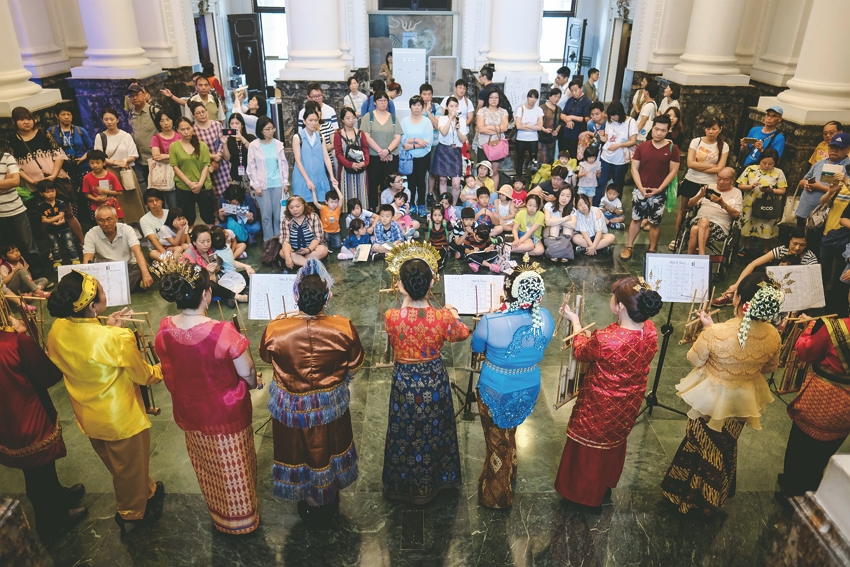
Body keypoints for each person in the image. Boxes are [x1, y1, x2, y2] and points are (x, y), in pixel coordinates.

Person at [150, 253, 260, 534]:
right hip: (225, 412)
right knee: (234, 465)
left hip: (190, 410)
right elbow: (246, 371)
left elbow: (169, 370)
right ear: (207, 295)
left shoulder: (164, 329)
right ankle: (242, 521)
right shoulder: (222, 331)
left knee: (207, 465)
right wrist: (253, 382)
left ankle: (219, 515)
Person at [46, 270, 165, 531]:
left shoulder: (56, 328)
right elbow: (143, 375)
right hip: (120, 417)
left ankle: (147, 491)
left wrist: (105, 328)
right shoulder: (115, 338)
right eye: (101, 290)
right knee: (128, 467)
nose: (104, 292)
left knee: (120, 465)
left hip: (88, 414)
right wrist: (164, 368)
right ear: (92, 306)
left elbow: (86, 346)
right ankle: (130, 516)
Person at [661, 273, 782, 516]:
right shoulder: (773, 335)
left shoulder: (716, 333)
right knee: (725, 444)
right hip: (744, 400)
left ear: (738, 299)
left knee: (698, 445)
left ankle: (692, 495)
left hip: (710, 398)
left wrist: (708, 331)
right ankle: (712, 496)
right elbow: (769, 367)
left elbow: (694, 358)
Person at [260, 259, 363, 524]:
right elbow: (356, 362)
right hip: (331, 404)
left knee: (297, 450)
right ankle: (328, 495)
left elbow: (265, 357)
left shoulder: (276, 329)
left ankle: (308, 497)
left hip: (291, 406)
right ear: (327, 296)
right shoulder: (342, 326)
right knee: (331, 445)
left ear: (296, 297)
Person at [555, 277, 662, 508]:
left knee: (590, 444)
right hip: (630, 400)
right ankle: (605, 483)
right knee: (613, 439)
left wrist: (575, 321)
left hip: (600, 403)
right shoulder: (650, 331)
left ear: (620, 306)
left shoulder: (606, 340)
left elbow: (581, 351)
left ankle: (582, 493)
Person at [382, 250, 470, 503]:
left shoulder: (392, 317)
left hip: (404, 383)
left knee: (404, 431)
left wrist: (406, 303)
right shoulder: (442, 318)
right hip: (433, 381)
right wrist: (452, 314)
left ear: (401, 286)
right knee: (435, 431)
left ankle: (402, 483)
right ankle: (439, 480)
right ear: (431, 283)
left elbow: (400, 327)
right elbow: (462, 333)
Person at [473, 259, 554, 508]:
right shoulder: (546, 319)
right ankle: (512, 466)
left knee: (496, 440)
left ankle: (497, 496)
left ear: (507, 292)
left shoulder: (490, 321)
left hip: (495, 389)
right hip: (528, 387)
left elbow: (477, 348)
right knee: (509, 432)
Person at [0, 310, 87, 538]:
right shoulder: (15, 342)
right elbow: (49, 376)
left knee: (36, 472)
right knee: (40, 472)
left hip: (6, 420)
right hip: (28, 417)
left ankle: (59, 496)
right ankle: (52, 520)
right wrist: (28, 339)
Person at [777, 315, 850, 497]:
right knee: (822, 456)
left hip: (821, 402)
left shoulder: (834, 328)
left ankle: (792, 492)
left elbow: (804, 351)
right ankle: (811, 491)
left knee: (799, 452)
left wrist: (811, 326)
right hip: (846, 411)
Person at [10, 106, 84, 250]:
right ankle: (54, 248)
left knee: (68, 212)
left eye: (29, 118)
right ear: (14, 122)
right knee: (44, 218)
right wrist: (30, 181)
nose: (27, 122)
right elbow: (14, 165)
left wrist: (54, 175)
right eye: (22, 119)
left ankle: (82, 242)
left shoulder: (44, 133)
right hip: (34, 185)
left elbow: (59, 154)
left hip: (56, 181)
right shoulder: (12, 140)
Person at [621, 115, 680, 258]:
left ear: (668, 131)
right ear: (652, 128)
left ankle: (652, 250)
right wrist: (640, 187)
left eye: (663, 130)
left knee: (654, 222)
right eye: (656, 129)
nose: (659, 133)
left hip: (659, 192)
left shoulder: (673, 148)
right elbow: (634, 169)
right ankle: (629, 247)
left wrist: (659, 189)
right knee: (636, 219)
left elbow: (673, 171)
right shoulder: (642, 147)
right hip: (640, 190)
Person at [714, 228, 817, 306]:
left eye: (802, 245)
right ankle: (734, 294)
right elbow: (753, 264)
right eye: (795, 243)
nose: (797, 248)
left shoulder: (810, 258)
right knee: (756, 274)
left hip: (796, 290)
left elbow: (813, 283)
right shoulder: (782, 249)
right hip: (776, 284)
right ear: (789, 240)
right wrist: (737, 284)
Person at [670, 117, 730, 251]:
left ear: (720, 129)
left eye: (714, 129)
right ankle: (678, 237)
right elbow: (690, 164)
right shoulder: (696, 141)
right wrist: (709, 167)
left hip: (709, 183)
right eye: (708, 128)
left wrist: (699, 165)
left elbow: (720, 168)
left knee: (703, 212)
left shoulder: (723, 146)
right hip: (692, 180)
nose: (710, 131)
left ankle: (698, 240)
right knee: (684, 210)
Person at [93, 108, 146, 224]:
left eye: (112, 119)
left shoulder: (126, 136)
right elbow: (98, 157)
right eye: (106, 119)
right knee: (114, 200)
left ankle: (134, 223)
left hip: (126, 170)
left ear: (117, 119)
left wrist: (124, 161)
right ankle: (119, 224)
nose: (109, 122)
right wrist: (114, 162)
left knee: (131, 199)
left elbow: (134, 155)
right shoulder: (100, 137)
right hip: (109, 172)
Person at [83, 205, 154, 291]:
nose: (106, 223)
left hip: (129, 266)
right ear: (97, 221)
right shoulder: (91, 234)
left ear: (116, 218)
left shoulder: (127, 229)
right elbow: (87, 259)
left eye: (109, 219)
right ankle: (124, 287)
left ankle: (107, 289)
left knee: (143, 269)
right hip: (105, 269)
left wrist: (145, 274)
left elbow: (137, 251)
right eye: (101, 220)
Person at [737, 149, 787, 256]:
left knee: (767, 226)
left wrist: (771, 190)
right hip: (750, 203)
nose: (767, 166)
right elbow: (740, 185)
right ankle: (746, 247)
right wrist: (751, 186)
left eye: (770, 164)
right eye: (764, 163)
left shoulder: (778, 172)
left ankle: (766, 249)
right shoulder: (750, 169)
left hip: (768, 204)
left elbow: (782, 190)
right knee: (747, 224)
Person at [795, 132, 850, 229]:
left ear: (847, 149)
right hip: (805, 209)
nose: (834, 151)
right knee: (799, 236)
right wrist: (806, 184)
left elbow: (844, 192)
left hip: (823, 214)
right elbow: (802, 181)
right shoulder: (820, 163)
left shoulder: (847, 167)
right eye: (832, 147)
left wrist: (820, 187)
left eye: (839, 148)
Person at [247, 116, 289, 241]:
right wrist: (256, 185)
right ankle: (268, 241)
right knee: (266, 216)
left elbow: (283, 164)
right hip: (262, 185)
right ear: (260, 130)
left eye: (272, 128)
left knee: (278, 215)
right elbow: (251, 167)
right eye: (267, 129)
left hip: (277, 183)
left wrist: (285, 182)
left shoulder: (278, 144)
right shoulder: (254, 146)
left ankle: (278, 240)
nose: (271, 131)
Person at [182, 224, 248, 305]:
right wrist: (208, 273)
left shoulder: (211, 248)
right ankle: (236, 296)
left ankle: (227, 296)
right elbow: (193, 281)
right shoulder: (188, 256)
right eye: (202, 242)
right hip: (202, 286)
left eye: (209, 241)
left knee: (246, 274)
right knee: (209, 284)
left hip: (218, 278)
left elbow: (227, 261)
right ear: (194, 242)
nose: (206, 244)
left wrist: (247, 267)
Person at [169, 116, 216, 226]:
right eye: (182, 129)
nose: (186, 132)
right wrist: (189, 183)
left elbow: (206, 165)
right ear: (177, 131)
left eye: (188, 128)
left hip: (203, 185)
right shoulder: (174, 146)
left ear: (192, 128)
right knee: (188, 218)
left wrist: (200, 184)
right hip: (184, 187)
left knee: (208, 216)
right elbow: (175, 167)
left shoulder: (202, 145)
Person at [685, 167, 743, 256]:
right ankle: (702, 254)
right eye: (719, 178)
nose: (721, 182)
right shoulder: (709, 187)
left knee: (695, 229)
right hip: (698, 220)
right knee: (702, 222)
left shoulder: (736, 193)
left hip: (720, 225)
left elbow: (736, 214)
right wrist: (700, 195)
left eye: (725, 179)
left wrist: (722, 203)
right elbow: (690, 205)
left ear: (732, 180)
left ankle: (691, 258)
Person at [362, 92, 402, 207]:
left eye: (385, 100)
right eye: (380, 100)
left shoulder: (393, 118)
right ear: (375, 102)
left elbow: (397, 137)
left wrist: (387, 151)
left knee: (390, 185)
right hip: (374, 157)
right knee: (373, 184)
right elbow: (366, 136)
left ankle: (391, 208)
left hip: (391, 157)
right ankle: (373, 208)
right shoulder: (368, 117)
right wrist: (381, 151)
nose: (383, 102)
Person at [596, 101, 638, 207]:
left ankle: (615, 208)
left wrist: (618, 145)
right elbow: (607, 138)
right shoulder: (609, 121)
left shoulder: (630, 122)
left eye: (614, 115)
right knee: (600, 183)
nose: (612, 118)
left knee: (618, 185)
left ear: (620, 113)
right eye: (610, 115)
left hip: (620, 160)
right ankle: (596, 207)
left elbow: (633, 141)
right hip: (605, 157)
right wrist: (599, 136)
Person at [47, 103, 93, 194]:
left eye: (69, 114)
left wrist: (82, 158)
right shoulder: (51, 131)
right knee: (71, 195)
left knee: (88, 194)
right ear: (57, 116)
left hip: (82, 166)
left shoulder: (80, 130)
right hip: (63, 169)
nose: (66, 117)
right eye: (63, 114)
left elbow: (90, 148)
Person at [189, 102, 230, 199]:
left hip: (222, 163)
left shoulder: (217, 125)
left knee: (227, 190)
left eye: (203, 111)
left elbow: (222, 141)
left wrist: (217, 158)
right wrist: (212, 158)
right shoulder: (194, 130)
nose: (202, 114)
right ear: (193, 115)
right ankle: (217, 213)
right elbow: (197, 149)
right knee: (213, 193)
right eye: (198, 113)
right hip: (206, 166)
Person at [36, 181, 80, 268]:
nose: (51, 194)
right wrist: (54, 222)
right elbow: (43, 219)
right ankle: (57, 261)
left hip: (64, 228)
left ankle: (75, 259)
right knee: (54, 247)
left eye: (53, 191)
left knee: (70, 244)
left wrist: (49, 221)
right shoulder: (41, 205)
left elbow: (61, 215)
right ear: (41, 193)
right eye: (47, 192)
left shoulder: (60, 202)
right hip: (51, 230)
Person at [401, 95, 434, 212]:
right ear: (410, 107)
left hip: (423, 156)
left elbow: (428, 142)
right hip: (409, 158)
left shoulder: (427, 122)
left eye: (419, 105)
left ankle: (421, 204)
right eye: (414, 105)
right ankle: (411, 204)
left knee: (421, 181)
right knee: (410, 182)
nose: (416, 108)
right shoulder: (404, 121)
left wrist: (412, 145)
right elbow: (403, 140)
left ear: (423, 107)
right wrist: (417, 140)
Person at [432, 96, 467, 205]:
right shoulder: (442, 119)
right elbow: (444, 132)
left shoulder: (462, 120)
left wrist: (457, 130)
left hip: (456, 151)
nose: (454, 108)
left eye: (456, 106)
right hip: (443, 150)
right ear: (447, 107)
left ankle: (453, 206)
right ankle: (444, 204)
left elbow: (463, 139)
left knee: (456, 183)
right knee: (442, 180)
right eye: (451, 106)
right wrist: (450, 118)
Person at [334, 107, 370, 209]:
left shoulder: (360, 133)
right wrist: (350, 164)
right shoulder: (338, 135)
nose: (351, 121)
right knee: (347, 195)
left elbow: (365, 149)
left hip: (361, 169)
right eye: (348, 118)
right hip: (345, 171)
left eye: (353, 118)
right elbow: (339, 154)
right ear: (342, 120)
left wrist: (365, 162)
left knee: (362, 193)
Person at [279, 196, 327, 269]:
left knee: (323, 250)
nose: (295, 210)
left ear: (303, 205)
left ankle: (299, 263)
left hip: (312, 250)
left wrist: (308, 249)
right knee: (282, 253)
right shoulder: (286, 220)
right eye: (291, 207)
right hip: (294, 251)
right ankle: (309, 266)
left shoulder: (313, 217)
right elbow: (286, 241)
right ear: (288, 209)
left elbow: (318, 238)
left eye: (297, 206)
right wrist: (288, 257)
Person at [127, 84, 160, 186]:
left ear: (144, 95)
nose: (135, 98)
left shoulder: (154, 111)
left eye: (137, 94)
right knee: (149, 187)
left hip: (156, 158)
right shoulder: (131, 114)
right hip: (142, 160)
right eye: (132, 96)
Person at [476, 90, 509, 190]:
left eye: (496, 97)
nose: (494, 100)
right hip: (483, 145)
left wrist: (488, 127)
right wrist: (497, 128)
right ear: (487, 99)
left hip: (497, 146)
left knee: (494, 171)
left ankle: (493, 194)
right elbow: (480, 129)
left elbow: (505, 128)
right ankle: (481, 194)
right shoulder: (482, 111)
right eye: (491, 97)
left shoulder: (503, 112)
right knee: (482, 172)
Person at [298, 84, 339, 162]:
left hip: (328, 153)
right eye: (314, 96)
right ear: (308, 97)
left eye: (319, 95)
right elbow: (300, 135)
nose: (317, 99)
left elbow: (335, 134)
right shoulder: (302, 113)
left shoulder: (330, 111)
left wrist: (324, 148)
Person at [149, 110, 180, 209]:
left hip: (180, 174)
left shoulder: (179, 136)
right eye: (162, 121)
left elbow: (184, 155)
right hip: (163, 176)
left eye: (168, 119)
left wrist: (166, 156)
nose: (166, 123)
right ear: (158, 123)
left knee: (177, 205)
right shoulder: (156, 138)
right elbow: (156, 156)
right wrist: (174, 156)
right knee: (164, 205)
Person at [82, 149, 124, 221]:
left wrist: (106, 191)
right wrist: (95, 199)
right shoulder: (87, 178)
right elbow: (87, 193)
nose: (95, 165)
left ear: (104, 163)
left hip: (112, 206)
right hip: (97, 207)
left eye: (98, 163)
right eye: (92, 163)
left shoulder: (111, 176)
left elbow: (119, 192)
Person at [221, 113, 256, 191]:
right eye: (232, 123)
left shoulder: (250, 137)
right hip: (235, 175)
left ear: (242, 125)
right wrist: (224, 144)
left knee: (252, 199)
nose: (234, 126)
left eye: (237, 123)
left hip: (251, 175)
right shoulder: (229, 140)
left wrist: (241, 137)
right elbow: (227, 158)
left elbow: (253, 150)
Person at [515, 90, 544, 181]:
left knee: (533, 160)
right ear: (527, 98)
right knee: (520, 160)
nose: (533, 99)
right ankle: (518, 180)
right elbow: (518, 126)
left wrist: (525, 125)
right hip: (521, 139)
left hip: (533, 139)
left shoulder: (539, 110)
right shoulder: (521, 109)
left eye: (535, 97)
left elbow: (539, 127)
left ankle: (533, 180)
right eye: (531, 97)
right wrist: (533, 126)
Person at [560, 80, 591, 160]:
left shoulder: (587, 101)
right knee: (565, 156)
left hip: (578, 134)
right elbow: (562, 114)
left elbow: (587, 118)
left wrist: (572, 117)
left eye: (576, 90)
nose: (574, 93)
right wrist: (568, 120)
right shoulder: (570, 100)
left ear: (581, 88)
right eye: (572, 91)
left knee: (575, 157)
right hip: (566, 133)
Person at [543, 187, 576, 262]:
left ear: (571, 198)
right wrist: (564, 219)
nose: (564, 198)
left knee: (568, 228)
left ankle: (564, 253)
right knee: (555, 226)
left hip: (564, 232)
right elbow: (548, 222)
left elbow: (573, 225)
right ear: (558, 195)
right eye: (562, 195)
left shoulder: (572, 210)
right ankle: (555, 251)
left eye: (567, 196)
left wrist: (555, 220)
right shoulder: (549, 205)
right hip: (550, 232)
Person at [139, 189, 171, 260]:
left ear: (162, 201)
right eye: (151, 201)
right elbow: (153, 240)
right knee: (153, 253)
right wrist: (166, 255)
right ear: (146, 204)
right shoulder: (144, 220)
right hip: (157, 249)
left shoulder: (170, 213)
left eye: (157, 200)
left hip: (173, 246)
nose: (155, 203)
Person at [538, 89, 563, 166]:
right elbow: (537, 122)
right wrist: (544, 129)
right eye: (555, 96)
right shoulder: (542, 108)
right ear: (550, 96)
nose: (557, 99)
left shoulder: (559, 109)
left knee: (550, 158)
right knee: (542, 158)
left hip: (552, 138)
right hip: (542, 136)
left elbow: (560, 122)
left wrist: (557, 130)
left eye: (559, 97)